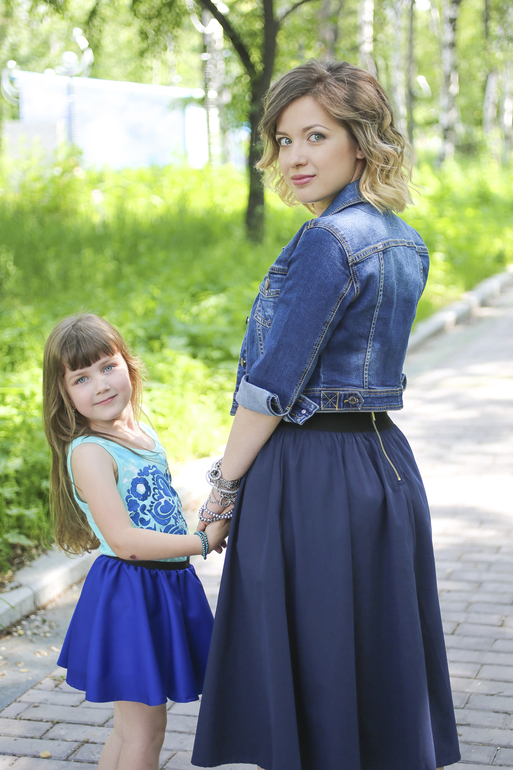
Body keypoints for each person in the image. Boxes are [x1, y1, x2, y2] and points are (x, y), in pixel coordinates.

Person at [191, 60, 460, 770]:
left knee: (313, 660)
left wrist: (223, 489)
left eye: (316, 136)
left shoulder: (326, 242)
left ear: (361, 142)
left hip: (311, 474)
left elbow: (270, 388)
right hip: (383, 468)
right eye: (284, 140)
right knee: (370, 655)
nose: (295, 157)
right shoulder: (403, 239)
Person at [42, 313, 231, 770]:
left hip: (162, 587)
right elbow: (125, 540)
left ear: (129, 365)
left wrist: (199, 527)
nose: (101, 385)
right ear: (65, 395)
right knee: (145, 733)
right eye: (81, 378)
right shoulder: (90, 452)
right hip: (130, 593)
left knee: (132, 730)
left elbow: (157, 513)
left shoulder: (141, 434)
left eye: (107, 367)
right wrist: (201, 542)